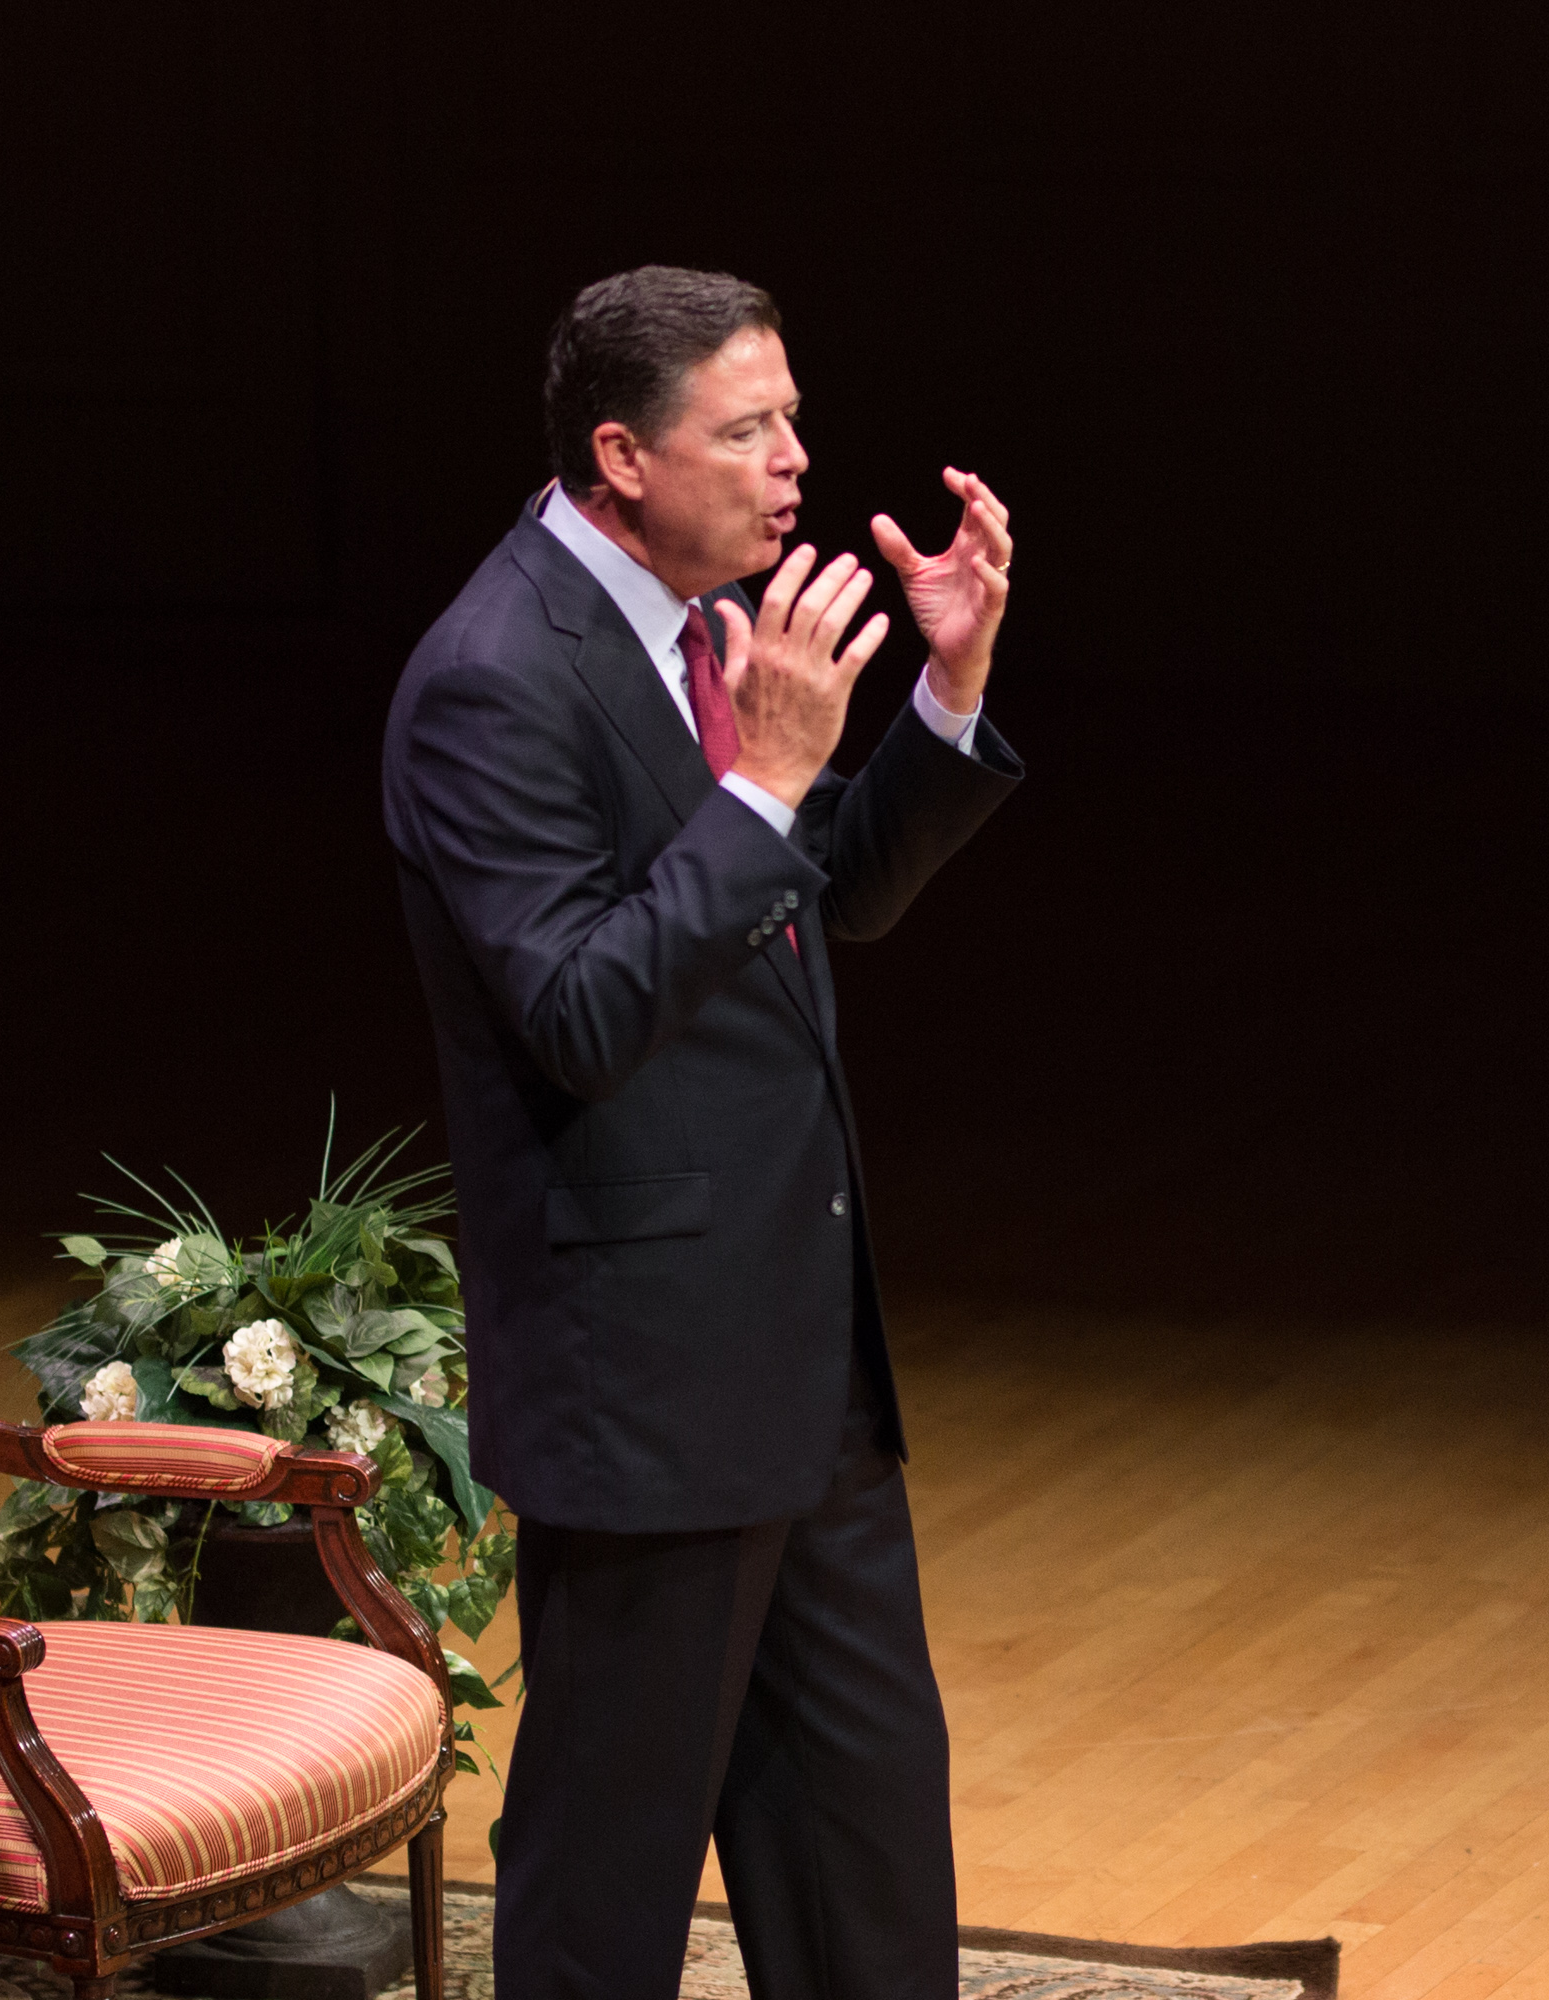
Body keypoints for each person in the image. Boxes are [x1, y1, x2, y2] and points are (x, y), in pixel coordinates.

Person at [380, 264, 1022, 2000]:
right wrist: (764, 785)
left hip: (800, 1354)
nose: (795, 460)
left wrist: (941, 702)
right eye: (748, 431)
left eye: (792, 416)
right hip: (645, 1378)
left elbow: (816, 903)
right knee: (612, 1870)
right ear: (622, 456)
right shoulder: (493, 680)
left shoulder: (697, 625)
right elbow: (586, 1015)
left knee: (865, 1838)